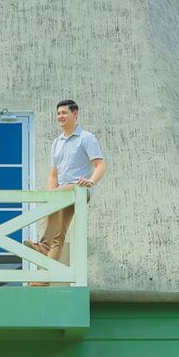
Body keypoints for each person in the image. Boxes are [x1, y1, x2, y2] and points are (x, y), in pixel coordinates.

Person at [26, 99, 105, 285]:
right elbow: (53, 174)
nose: (60, 116)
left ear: (75, 114)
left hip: (80, 189)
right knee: (59, 234)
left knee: (57, 207)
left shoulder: (86, 138)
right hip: (61, 190)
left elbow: (100, 165)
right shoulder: (57, 142)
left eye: (64, 113)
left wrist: (91, 181)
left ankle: (43, 246)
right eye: (58, 113)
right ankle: (42, 280)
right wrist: (49, 196)